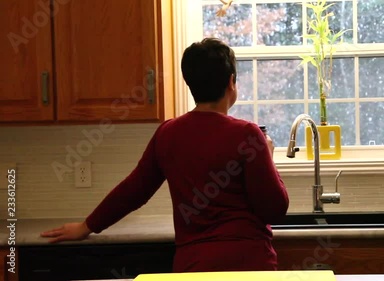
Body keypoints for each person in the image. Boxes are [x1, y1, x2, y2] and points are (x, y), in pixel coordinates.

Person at [40, 38, 289, 272]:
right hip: (249, 265)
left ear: (189, 82)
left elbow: (133, 190)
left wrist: (86, 226)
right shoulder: (248, 135)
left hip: (193, 266)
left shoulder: (168, 133)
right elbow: (274, 208)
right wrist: (268, 155)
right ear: (231, 82)